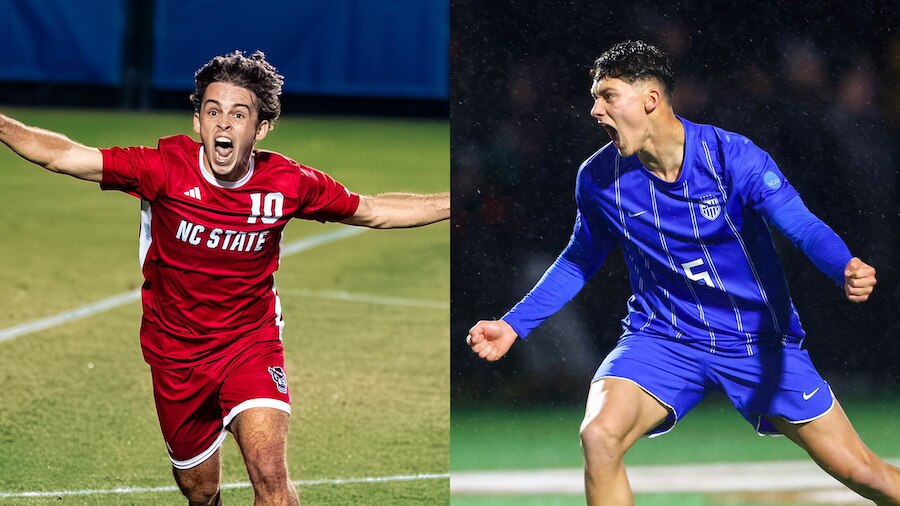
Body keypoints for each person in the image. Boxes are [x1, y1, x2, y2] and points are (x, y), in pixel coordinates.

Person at [0, 50, 449, 506]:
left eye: (239, 114)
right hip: (174, 355)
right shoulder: (163, 169)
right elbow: (67, 157)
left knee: (272, 479)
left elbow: (372, 210)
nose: (223, 125)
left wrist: (456, 201)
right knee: (201, 491)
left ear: (261, 128)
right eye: (213, 112)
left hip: (249, 344)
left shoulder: (286, 183)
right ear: (198, 121)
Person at [465, 40, 900, 505]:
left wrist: (844, 265)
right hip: (663, 339)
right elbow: (578, 259)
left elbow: (802, 226)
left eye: (607, 96)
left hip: (755, 342)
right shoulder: (598, 178)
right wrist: (514, 324)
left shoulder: (732, 157)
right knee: (599, 435)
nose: (594, 110)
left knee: (862, 473)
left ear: (650, 99)